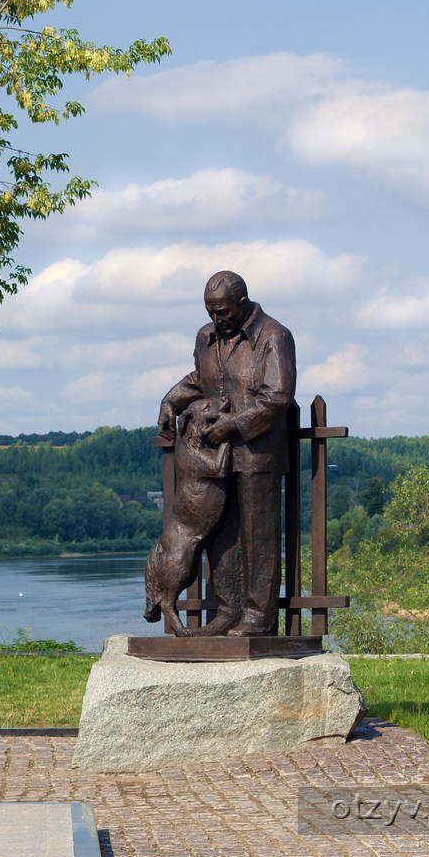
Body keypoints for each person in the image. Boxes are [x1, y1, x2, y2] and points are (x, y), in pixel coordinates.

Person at [157, 270, 296, 636]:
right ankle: (228, 610)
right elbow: (199, 380)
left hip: (257, 455)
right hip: (217, 459)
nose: (216, 319)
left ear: (243, 302)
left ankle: (258, 617)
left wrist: (233, 425)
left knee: (257, 537)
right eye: (210, 311)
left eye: (222, 311)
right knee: (221, 537)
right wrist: (171, 400)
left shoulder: (274, 336)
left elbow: (276, 395)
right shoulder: (206, 338)